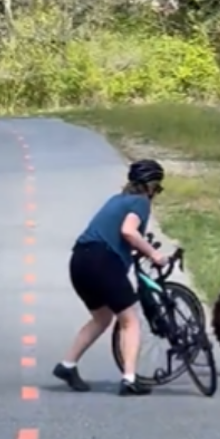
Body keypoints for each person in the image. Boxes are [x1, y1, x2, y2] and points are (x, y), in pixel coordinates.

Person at [52, 159, 169, 396]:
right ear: (149, 186)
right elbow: (128, 231)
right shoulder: (140, 202)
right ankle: (129, 379)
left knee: (102, 317)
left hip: (80, 261)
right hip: (102, 261)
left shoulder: (116, 200)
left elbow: (114, 232)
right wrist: (154, 254)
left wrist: (138, 248)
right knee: (130, 320)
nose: (156, 193)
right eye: (157, 187)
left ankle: (67, 365)